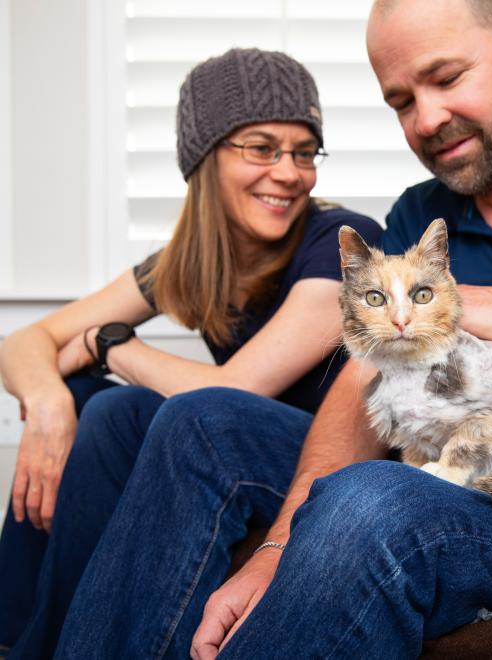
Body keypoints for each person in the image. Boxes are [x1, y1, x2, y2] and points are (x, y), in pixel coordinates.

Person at [51, 1, 492, 658]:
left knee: (374, 497)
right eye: (401, 101)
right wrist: (279, 543)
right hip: (434, 457)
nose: (425, 119)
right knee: (197, 419)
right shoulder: (418, 212)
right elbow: (364, 384)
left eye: (446, 78)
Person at [0, 47, 381, 658]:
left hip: (332, 458)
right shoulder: (194, 262)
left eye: (304, 152)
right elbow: (23, 343)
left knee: (130, 407)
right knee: (86, 400)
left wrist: (111, 345)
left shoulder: (341, 245)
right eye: (262, 148)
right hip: (242, 441)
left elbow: (238, 389)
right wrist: (47, 403)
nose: (289, 172)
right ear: (205, 158)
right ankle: (17, 640)